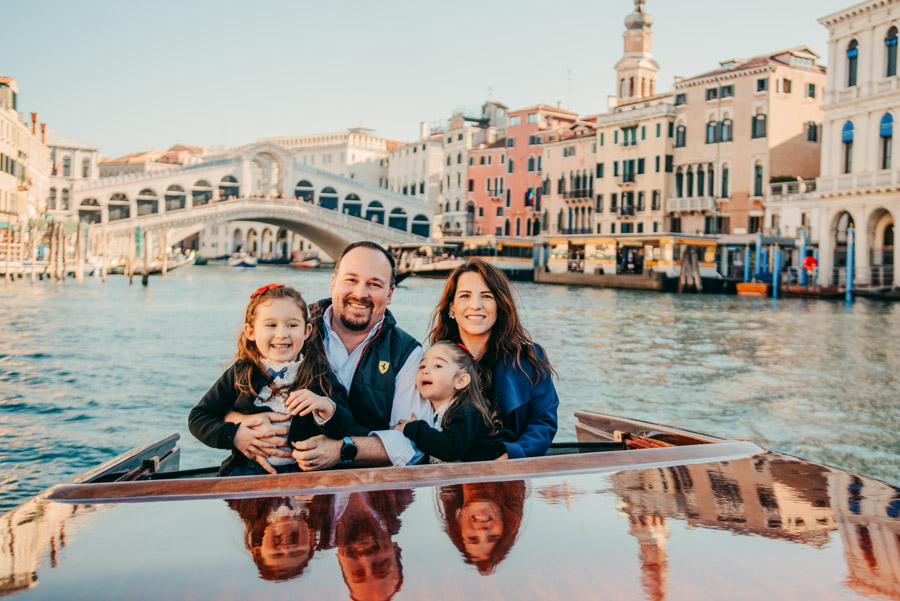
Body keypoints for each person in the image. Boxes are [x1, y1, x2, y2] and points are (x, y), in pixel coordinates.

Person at [227, 241, 432, 471]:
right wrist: (239, 423)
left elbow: (415, 445)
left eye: (374, 284)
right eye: (351, 280)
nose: (360, 293)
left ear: (390, 293)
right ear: (333, 282)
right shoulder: (290, 330)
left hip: (363, 491)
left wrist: (343, 450)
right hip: (275, 477)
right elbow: (232, 393)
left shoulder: (405, 352)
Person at [189, 284, 353, 476]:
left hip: (303, 473)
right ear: (251, 332)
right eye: (271, 325)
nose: (282, 334)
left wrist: (325, 406)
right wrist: (235, 436)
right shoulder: (242, 372)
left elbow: (346, 424)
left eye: (292, 325)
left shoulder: (318, 374)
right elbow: (199, 418)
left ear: (307, 331)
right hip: (245, 469)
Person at [429, 259, 559, 459]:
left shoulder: (530, 359)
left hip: (509, 473)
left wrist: (509, 456)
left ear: (499, 304)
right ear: (452, 307)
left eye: (486, 296)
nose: (476, 306)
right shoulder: (432, 360)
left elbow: (543, 422)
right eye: (465, 296)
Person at [393, 341, 505, 463]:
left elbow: (451, 449)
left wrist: (413, 429)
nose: (425, 371)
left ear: (461, 380)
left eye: (438, 366)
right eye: (422, 366)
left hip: (484, 479)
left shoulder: (468, 411)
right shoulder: (435, 413)